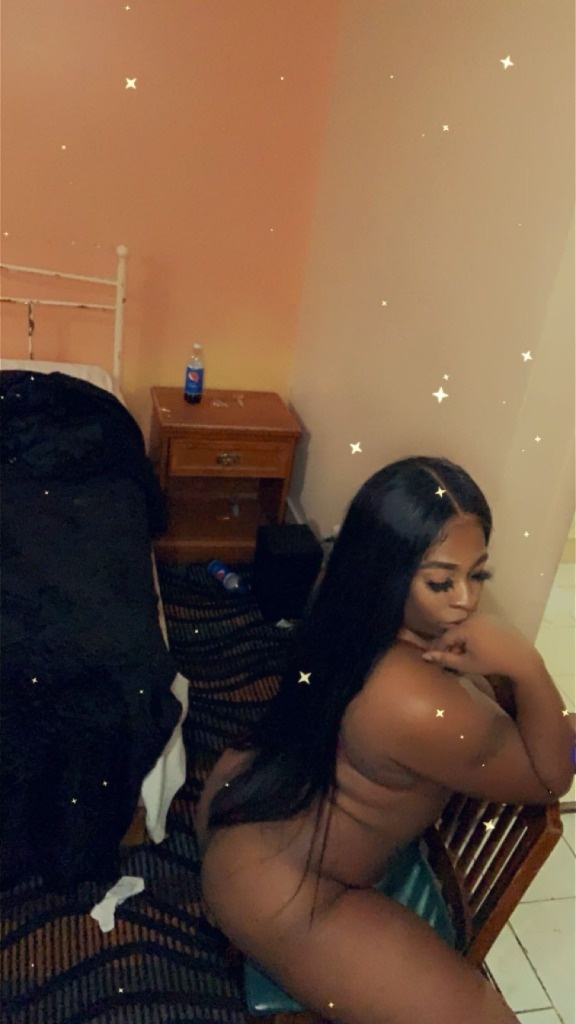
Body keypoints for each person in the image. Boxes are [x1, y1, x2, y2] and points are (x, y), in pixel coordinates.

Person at [197, 456, 575, 1024]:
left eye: (478, 575)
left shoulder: (346, 607)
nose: (466, 600)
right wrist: (527, 665)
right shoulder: (414, 702)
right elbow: (555, 773)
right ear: (388, 573)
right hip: (291, 892)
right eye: (441, 581)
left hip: (253, 808)